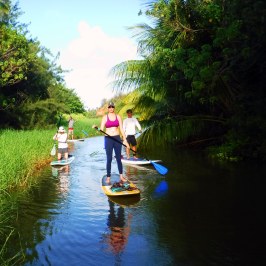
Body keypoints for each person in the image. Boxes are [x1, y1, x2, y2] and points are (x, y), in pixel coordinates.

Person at [100, 101, 129, 184]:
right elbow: (101, 129)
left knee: (119, 158)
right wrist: (99, 129)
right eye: (109, 107)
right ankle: (108, 177)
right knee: (109, 158)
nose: (111, 108)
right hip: (108, 139)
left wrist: (125, 140)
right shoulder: (105, 117)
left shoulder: (118, 117)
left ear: (114, 108)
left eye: (112, 107)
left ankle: (121, 176)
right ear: (108, 108)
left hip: (117, 138)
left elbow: (122, 130)